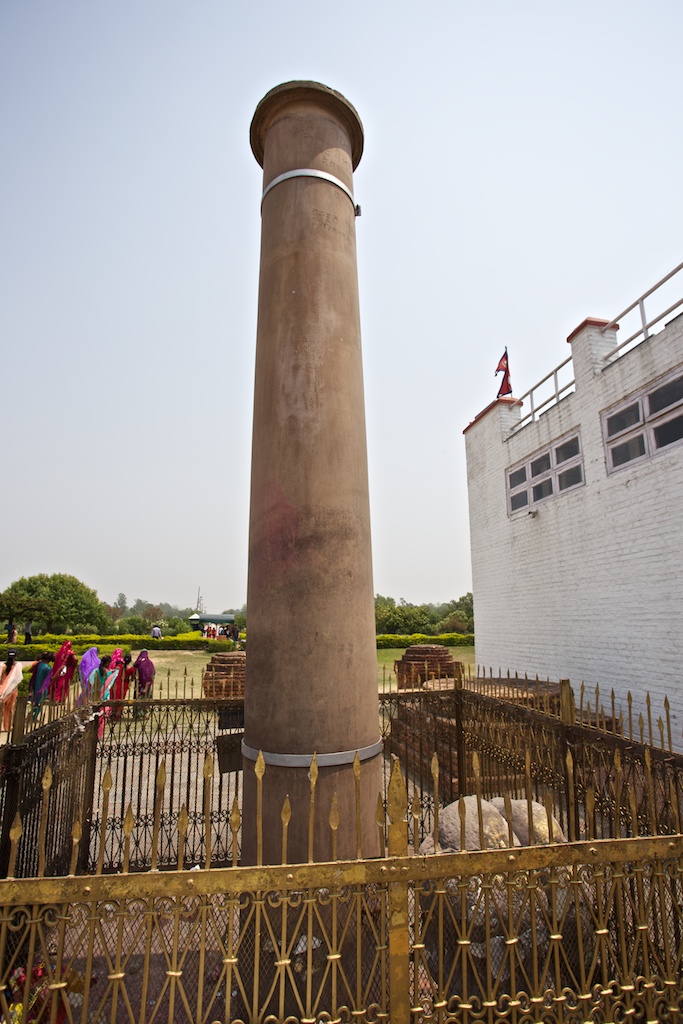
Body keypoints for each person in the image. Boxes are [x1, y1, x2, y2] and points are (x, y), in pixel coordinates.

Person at [0, 650, 36, 734]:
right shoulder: (17, 666)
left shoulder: (3, 666)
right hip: (13, 690)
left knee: (2, 708)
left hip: (2, 690)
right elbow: (18, 679)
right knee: (10, 709)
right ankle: (8, 726)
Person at [28, 652, 54, 719]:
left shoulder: (38, 664)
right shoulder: (48, 668)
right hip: (42, 688)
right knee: (40, 703)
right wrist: (59, 671)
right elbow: (51, 680)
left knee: (35, 701)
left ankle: (30, 714)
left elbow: (30, 670)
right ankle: (33, 717)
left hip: (34, 686)